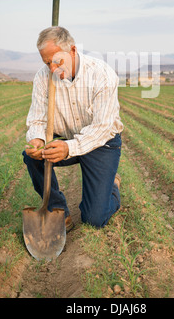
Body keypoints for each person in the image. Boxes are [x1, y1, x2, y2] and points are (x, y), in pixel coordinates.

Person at [22, 26, 124, 231]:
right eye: (46, 62)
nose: (52, 68)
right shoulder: (43, 77)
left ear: (73, 51)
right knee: (30, 156)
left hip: (100, 143)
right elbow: (37, 120)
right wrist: (38, 140)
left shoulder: (102, 75)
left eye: (57, 61)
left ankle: (112, 187)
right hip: (64, 138)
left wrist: (69, 148)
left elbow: (102, 127)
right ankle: (58, 211)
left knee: (94, 219)